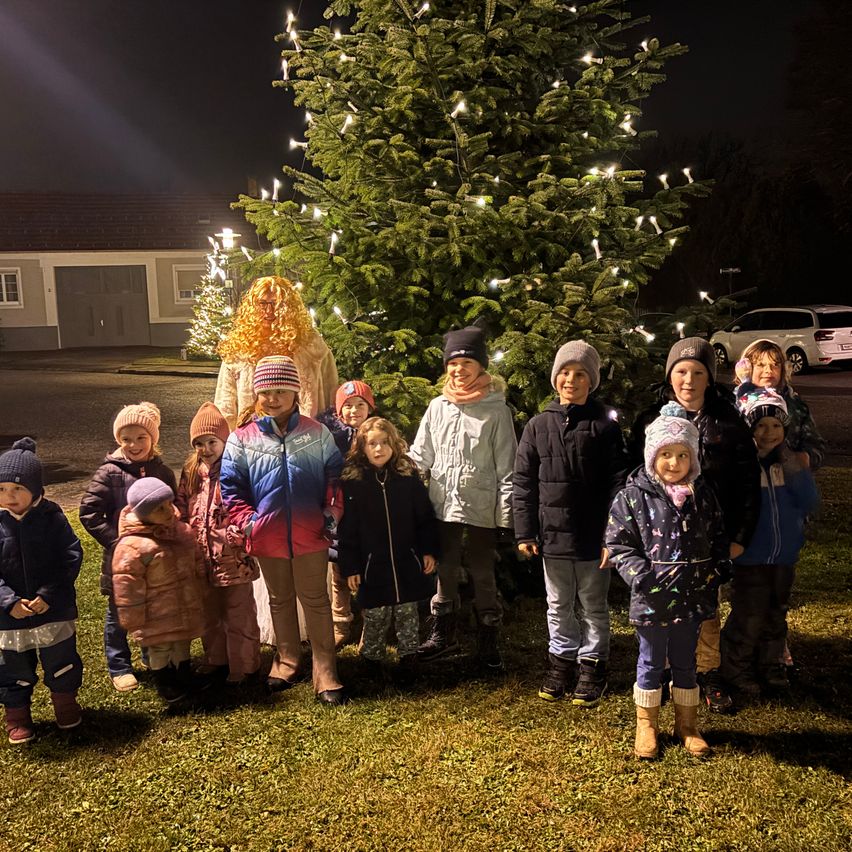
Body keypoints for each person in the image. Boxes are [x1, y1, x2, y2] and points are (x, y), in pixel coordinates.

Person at [630, 338, 761, 714]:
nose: (689, 380)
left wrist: (738, 537)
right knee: (663, 603)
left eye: (698, 372)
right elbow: (634, 480)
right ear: (671, 376)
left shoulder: (729, 423)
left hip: (708, 539)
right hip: (661, 539)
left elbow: (748, 483)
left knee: (706, 608)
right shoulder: (650, 420)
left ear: (709, 377)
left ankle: (707, 671)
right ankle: (666, 670)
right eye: (681, 371)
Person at [214, 275, 339, 648]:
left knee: (307, 551)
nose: (269, 309)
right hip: (254, 457)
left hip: (305, 454)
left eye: (277, 303)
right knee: (272, 554)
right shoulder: (238, 352)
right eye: (262, 303)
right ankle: (278, 640)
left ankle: (318, 645)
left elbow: (331, 399)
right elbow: (224, 408)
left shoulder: (312, 348)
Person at [219, 356, 348, 705]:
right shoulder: (242, 439)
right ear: (257, 394)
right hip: (267, 534)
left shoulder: (317, 434)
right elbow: (231, 489)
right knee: (279, 598)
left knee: (316, 599)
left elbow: (334, 478)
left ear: (295, 391)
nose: (273, 398)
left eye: (281, 390)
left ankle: (325, 668)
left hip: (311, 532)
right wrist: (249, 523)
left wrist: (329, 515)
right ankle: (288, 658)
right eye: (266, 391)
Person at [608, 404, 729, 759]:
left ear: (693, 458)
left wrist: (718, 569)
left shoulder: (703, 497)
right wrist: (641, 576)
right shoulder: (633, 497)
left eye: (681, 455)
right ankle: (646, 725)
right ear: (652, 457)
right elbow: (618, 543)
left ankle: (687, 724)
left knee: (685, 662)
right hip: (652, 598)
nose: (674, 463)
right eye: (666, 455)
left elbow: (719, 535)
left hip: (692, 597)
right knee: (650, 661)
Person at [513, 341, 629, 707]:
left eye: (580, 374)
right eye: (565, 372)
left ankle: (593, 665)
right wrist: (525, 531)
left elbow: (618, 483)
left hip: (593, 537)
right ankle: (561, 662)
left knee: (593, 603)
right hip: (551, 538)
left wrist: (613, 535)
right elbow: (523, 481)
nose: (571, 380)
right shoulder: (538, 426)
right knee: (558, 603)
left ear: (591, 381)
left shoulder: (604, 426)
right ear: (555, 377)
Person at [409, 326, 517, 672]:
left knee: (483, 571)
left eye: (467, 362)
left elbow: (507, 466)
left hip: (482, 508)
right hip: (443, 505)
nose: (459, 369)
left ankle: (488, 639)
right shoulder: (438, 407)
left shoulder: (496, 410)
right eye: (453, 363)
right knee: (445, 569)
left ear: (481, 366)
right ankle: (444, 634)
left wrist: (505, 516)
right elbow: (420, 455)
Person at [720, 388, 819, 699]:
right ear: (750, 429)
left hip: (784, 557)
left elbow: (809, 501)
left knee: (776, 612)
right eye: (761, 425)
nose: (769, 432)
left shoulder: (787, 466)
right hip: (751, 557)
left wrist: (795, 469)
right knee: (749, 615)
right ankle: (736, 668)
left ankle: (771, 664)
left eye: (776, 426)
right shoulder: (744, 468)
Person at [79, 402, 177, 693]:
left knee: (152, 607)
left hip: (155, 557)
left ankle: (150, 653)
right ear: (117, 440)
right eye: (126, 439)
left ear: (153, 439)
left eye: (141, 438)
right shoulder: (109, 472)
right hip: (122, 560)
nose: (134, 445)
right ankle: (119, 665)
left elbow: (175, 507)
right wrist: (117, 541)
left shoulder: (161, 471)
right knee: (118, 612)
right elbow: (89, 512)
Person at [338, 417, 438, 675]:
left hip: (407, 562)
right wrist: (351, 567)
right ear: (363, 447)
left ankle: (409, 656)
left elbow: (424, 517)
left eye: (384, 443)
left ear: (394, 445)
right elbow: (347, 530)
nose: (379, 449)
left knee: (407, 614)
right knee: (375, 615)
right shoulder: (354, 483)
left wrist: (427, 550)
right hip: (373, 566)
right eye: (372, 444)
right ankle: (371, 658)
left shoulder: (407, 479)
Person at [0, 438, 84, 744]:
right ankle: (17, 715)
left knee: (60, 659)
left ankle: (65, 703)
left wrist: (49, 595)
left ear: (36, 490)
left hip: (52, 610)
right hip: (9, 618)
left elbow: (70, 556)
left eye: (17, 489)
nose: (8, 497)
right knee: (12, 666)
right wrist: (8, 602)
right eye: (1, 489)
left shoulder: (52, 517)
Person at [176, 402, 261, 687]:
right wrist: (184, 532)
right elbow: (182, 506)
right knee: (209, 612)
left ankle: (244, 664)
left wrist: (239, 533)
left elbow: (250, 504)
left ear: (224, 440)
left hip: (234, 556)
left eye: (212, 441)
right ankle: (216, 658)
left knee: (239, 613)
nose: (206, 448)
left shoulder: (236, 469)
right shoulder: (191, 472)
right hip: (201, 556)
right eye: (199, 443)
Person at [112, 478, 207, 705]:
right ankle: (164, 680)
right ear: (144, 514)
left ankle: (183, 674)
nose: (168, 512)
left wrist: (201, 581)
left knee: (182, 642)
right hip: (156, 611)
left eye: (168, 504)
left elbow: (196, 559)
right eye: (159, 509)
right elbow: (127, 584)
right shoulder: (132, 545)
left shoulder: (182, 531)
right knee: (160, 646)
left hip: (184, 603)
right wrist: (132, 615)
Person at [317, 380, 377, 647]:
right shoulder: (330, 437)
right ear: (339, 410)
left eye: (360, 405)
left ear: (369, 408)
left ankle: (370, 626)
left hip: (368, 515)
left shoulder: (377, 435)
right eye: (348, 406)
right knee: (339, 572)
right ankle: (340, 621)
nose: (354, 411)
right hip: (340, 515)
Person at [734, 338, 826, 470]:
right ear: (747, 368)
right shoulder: (732, 405)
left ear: (784, 369)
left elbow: (815, 445)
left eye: (775, 364)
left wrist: (804, 458)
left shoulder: (795, 405)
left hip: (789, 482)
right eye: (760, 365)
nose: (769, 370)